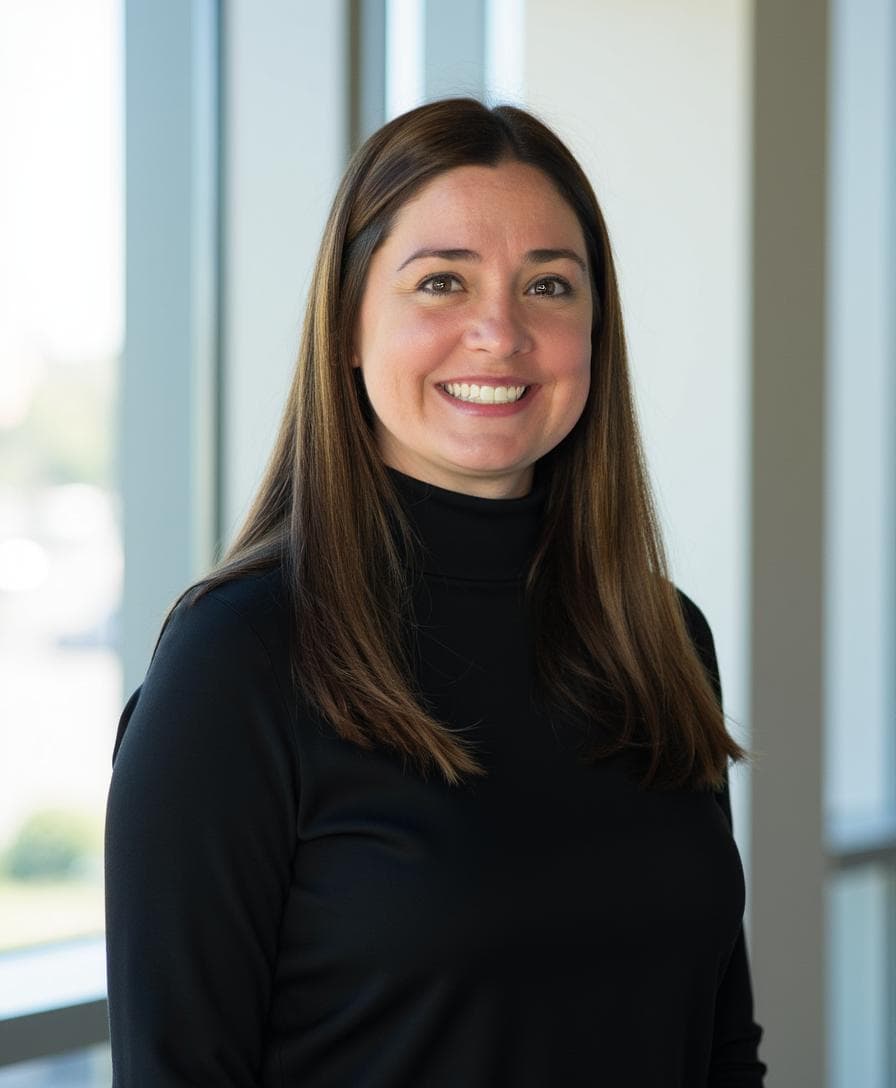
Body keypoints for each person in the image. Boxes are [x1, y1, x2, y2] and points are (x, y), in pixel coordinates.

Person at [104, 97, 767, 1086]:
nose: (498, 333)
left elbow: (720, 1051)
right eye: (441, 282)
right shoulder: (241, 655)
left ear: (595, 332)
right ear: (348, 330)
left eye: (548, 285)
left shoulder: (658, 635)